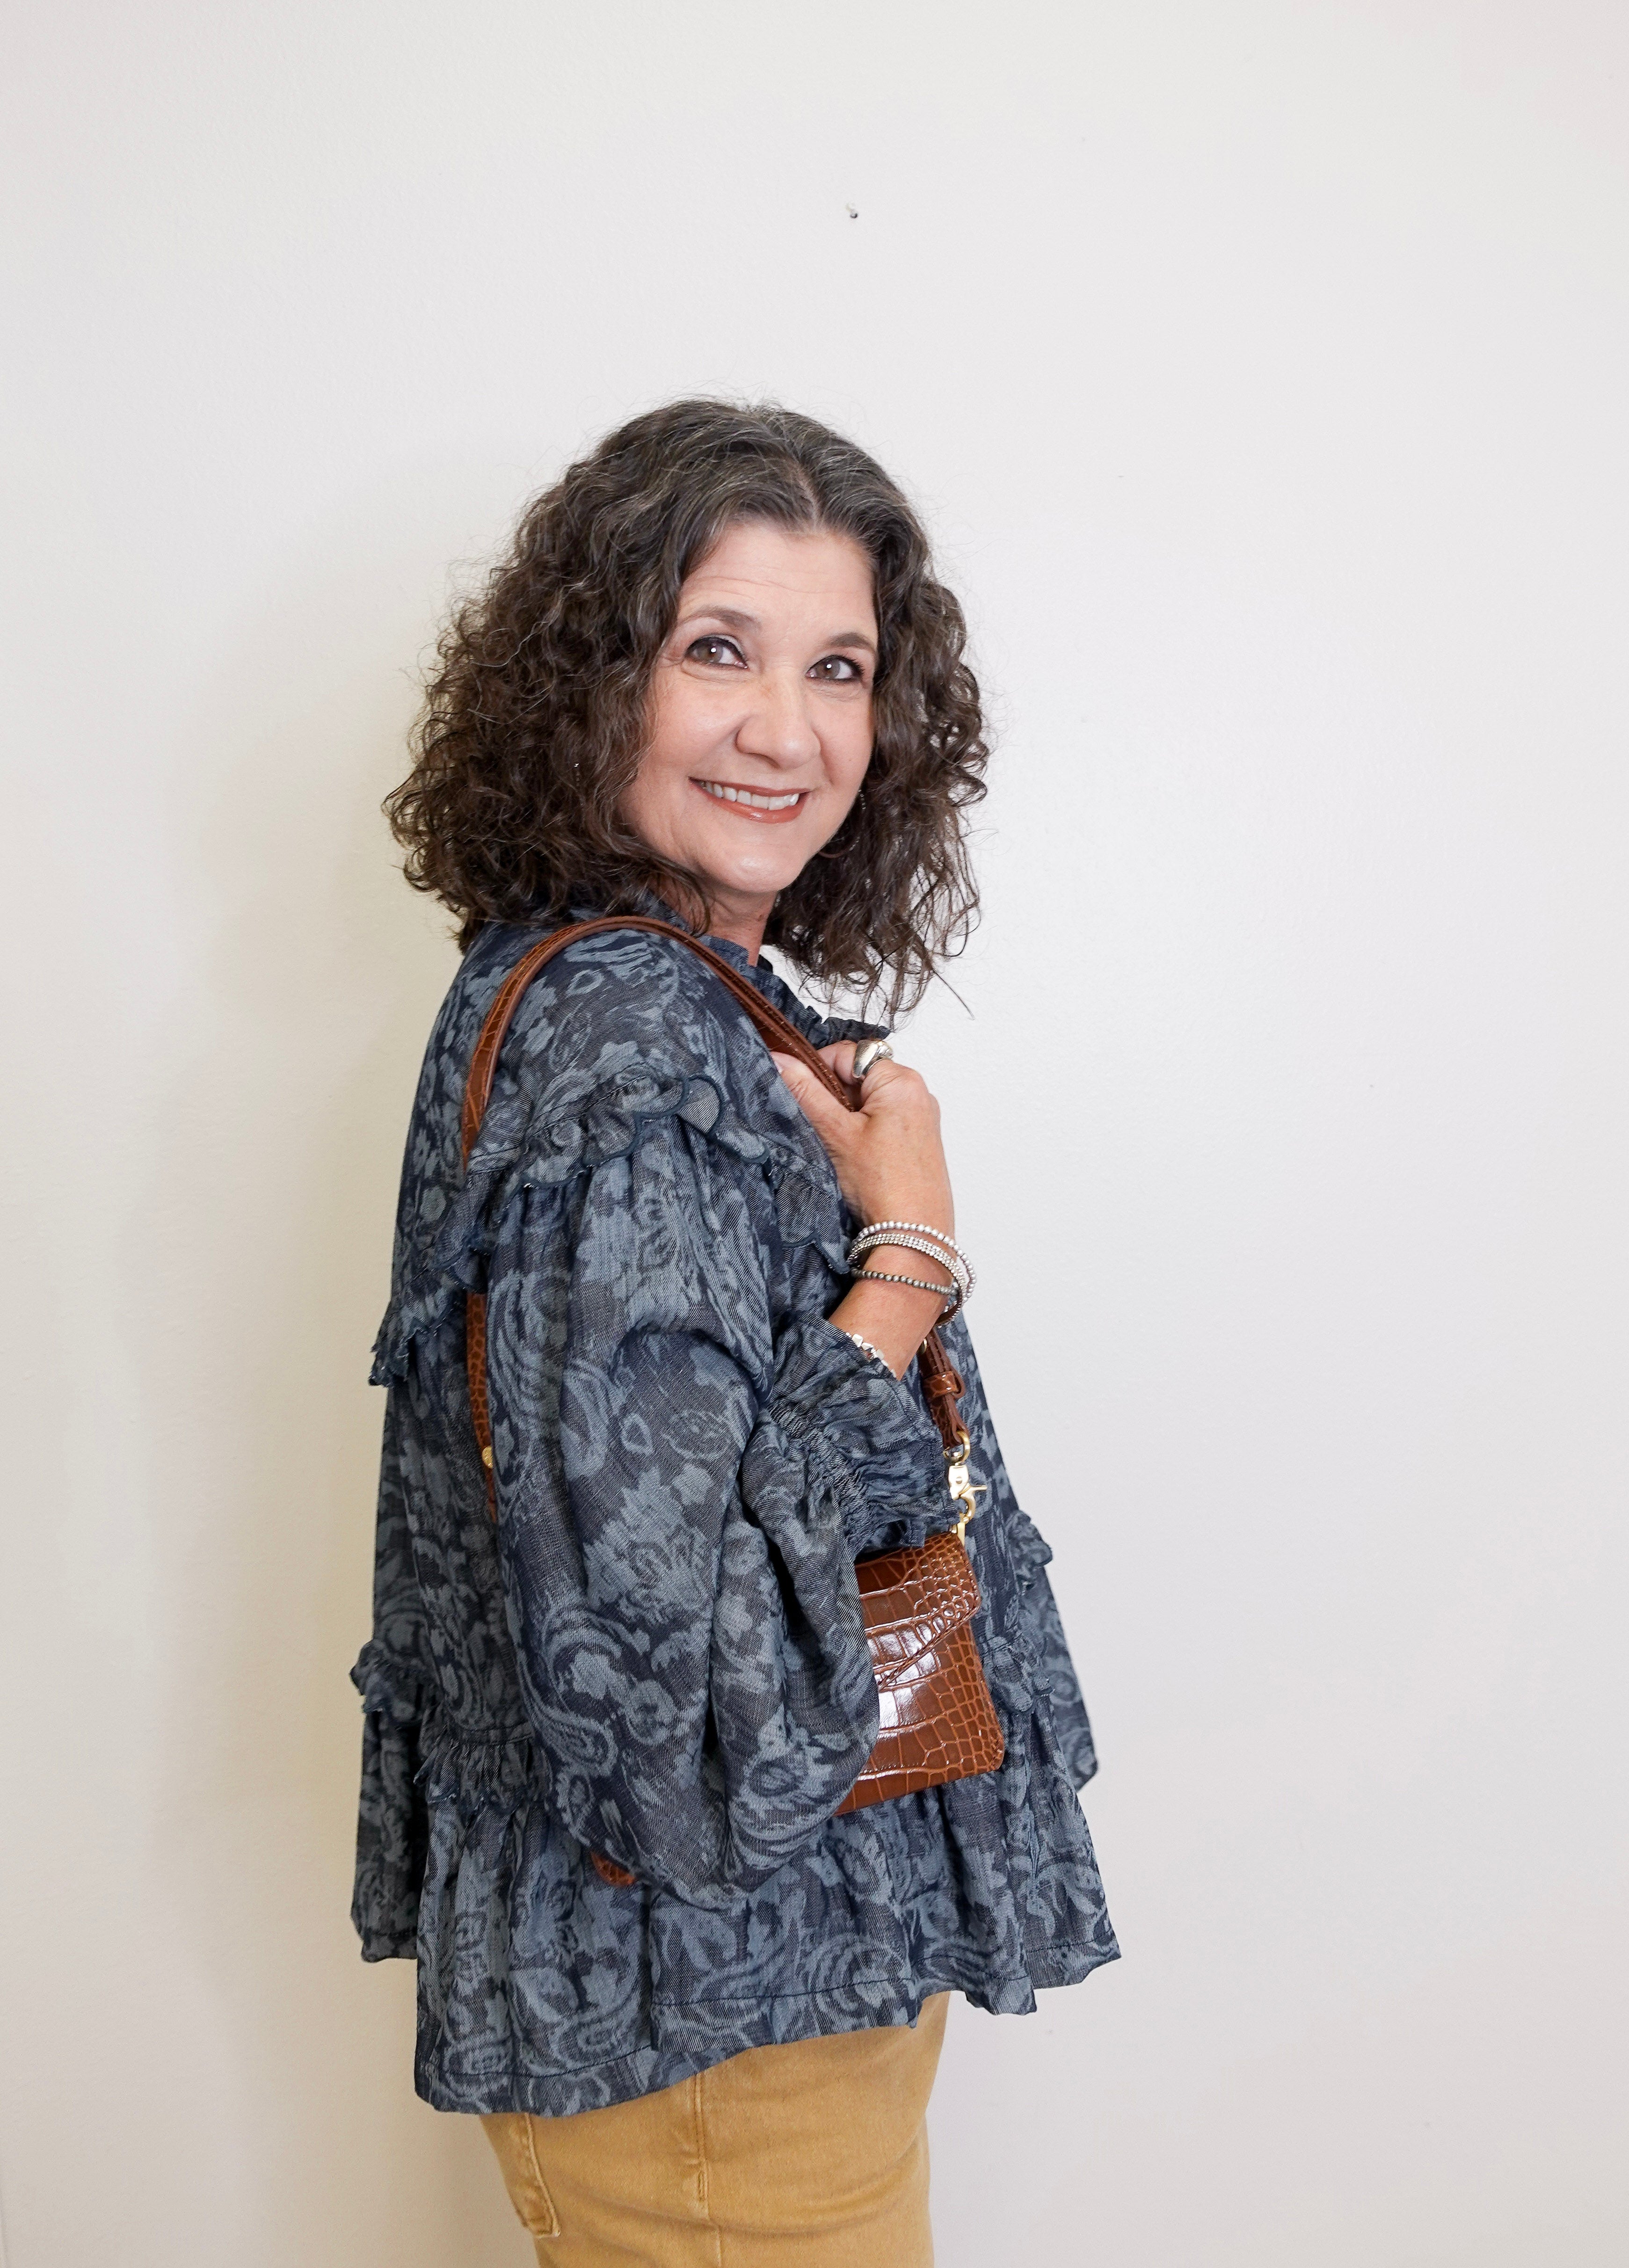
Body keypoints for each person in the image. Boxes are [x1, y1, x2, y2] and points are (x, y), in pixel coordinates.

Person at [351, 399, 1117, 2266]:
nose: (791, 729)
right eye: (719, 650)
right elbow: (662, 1625)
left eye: (839, 665)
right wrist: (909, 1251)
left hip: (736, 1998)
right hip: (708, 2024)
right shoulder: (633, 1041)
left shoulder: (640, 993)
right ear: (593, 682)